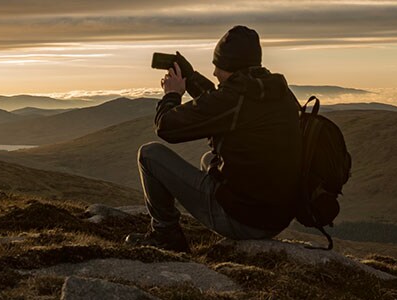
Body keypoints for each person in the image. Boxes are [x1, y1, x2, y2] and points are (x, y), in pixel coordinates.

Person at [124, 25, 301, 253]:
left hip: (244, 221)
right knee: (210, 159)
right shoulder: (271, 90)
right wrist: (191, 77)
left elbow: (167, 127)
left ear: (231, 67)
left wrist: (171, 95)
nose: (215, 73)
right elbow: (220, 102)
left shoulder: (235, 99)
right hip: (275, 217)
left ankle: (165, 235)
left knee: (149, 155)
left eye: (218, 66)